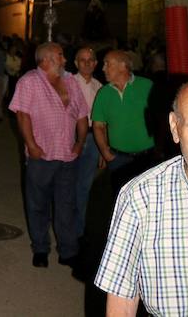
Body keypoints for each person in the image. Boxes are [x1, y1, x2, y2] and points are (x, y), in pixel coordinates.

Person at [95, 78, 188, 316]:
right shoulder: (140, 199)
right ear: (175, 128)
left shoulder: (144, 85)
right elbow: (122, 300)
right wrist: (105, 151)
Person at [9, 41, 88, 268]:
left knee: (66, 204)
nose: (65, 60)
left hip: (68, 155)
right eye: (60, 56)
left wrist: (80, 142)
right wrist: (31, 145)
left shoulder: (71, 82)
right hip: (41, 154)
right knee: (38, 204)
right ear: (45, 60)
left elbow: (82, 115)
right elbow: (22, 115)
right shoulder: (29, 82)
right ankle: (41, 248)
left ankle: (68, 250)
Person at [91, 50, 155, 195]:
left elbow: (161, 116)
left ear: (123, 66)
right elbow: (98, 126)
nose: (103, 68)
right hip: (119, 159)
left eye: (108, 64)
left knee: (148, 200)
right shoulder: (103, 93)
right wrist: (105, 152)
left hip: (147, 157)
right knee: (121, 200)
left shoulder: (147, 86)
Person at [73, 46, 102, 238]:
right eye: (82, 60)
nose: (86, 63)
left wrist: (103, 148)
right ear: (76, 63)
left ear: (95, 63)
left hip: (92, 138)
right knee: (67, 182)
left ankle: (79, 230)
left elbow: (103, 120)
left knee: (85, 185)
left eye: (90, 60)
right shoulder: (68, 83)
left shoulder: (99, 86)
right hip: (72, 135)